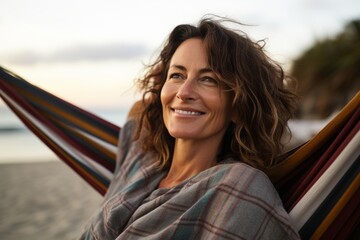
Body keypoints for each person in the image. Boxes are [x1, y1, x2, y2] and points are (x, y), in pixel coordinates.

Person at [79, 16, 300, 239]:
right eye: (177, 75)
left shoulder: (238, 186)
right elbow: (141, 108)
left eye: (208, 79)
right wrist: (163, 98)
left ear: (238, 106)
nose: (183, 92)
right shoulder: (142, 159)